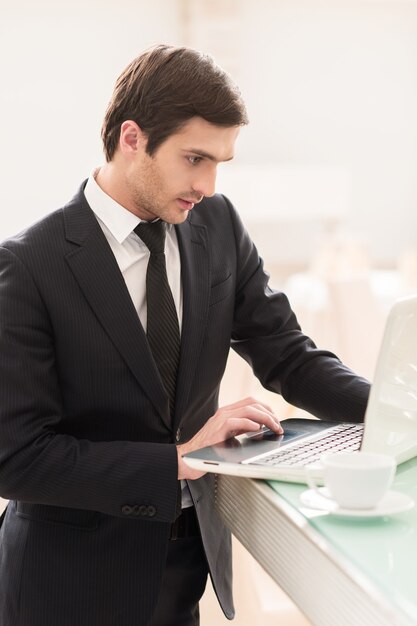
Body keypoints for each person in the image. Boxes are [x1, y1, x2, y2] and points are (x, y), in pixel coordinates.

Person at [0, 44, 370, 626]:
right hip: (66, 585)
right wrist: (177, 459)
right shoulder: (29, 265)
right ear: (132, 138)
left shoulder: (216, 225)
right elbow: (16, 457)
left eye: (220, 162)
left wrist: (396, 411)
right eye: (195, 158)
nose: (209, 184)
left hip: (182, 568)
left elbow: (288, 357)